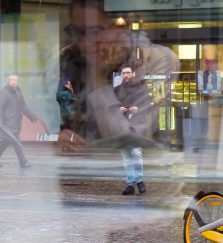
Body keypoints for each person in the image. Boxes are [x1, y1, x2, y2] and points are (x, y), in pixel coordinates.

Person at [58, 0, 179, 194]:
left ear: (123, 26)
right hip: (86, 185)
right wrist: (62, 136)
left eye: (95, 31)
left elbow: (129, 137)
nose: (85, 42)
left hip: (148, 186)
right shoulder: (69, 60)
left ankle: (135, 183)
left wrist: (97, 80)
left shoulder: (157, 60)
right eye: (78, 32)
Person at [114, 64, 155, 195]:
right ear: (121, 75)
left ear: (133, 74)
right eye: (124, 73)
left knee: (136, 153)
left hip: (136, 125)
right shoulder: (116, 90)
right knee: (126, 156)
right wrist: (117, 109)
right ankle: (130, 183)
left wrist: (138, 109)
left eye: (128, 72)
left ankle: (139, 180)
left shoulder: (140, 89)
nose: (126, 75)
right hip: (121, 126)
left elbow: (147, 105)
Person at [0, 74, 37, 168]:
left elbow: (23, 106)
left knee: (5, 143)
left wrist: (31, 116)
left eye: (15, 80)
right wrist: (0, 121)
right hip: (8, 124)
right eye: (12, 80)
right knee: (16, 142)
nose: (14, 82)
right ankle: (23, 162)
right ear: (8, 81)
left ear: (17, 82)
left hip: (16, 122)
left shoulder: (18, 91)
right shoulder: (5, 93)